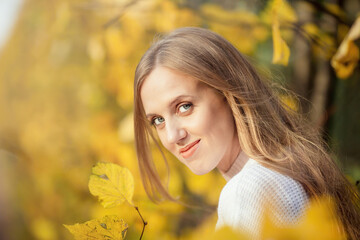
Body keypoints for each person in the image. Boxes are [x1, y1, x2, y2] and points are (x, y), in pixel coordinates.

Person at [133, 27, 360, 239]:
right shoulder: (290, 167)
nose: (173, 136)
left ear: (227, 91)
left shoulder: (249, 190)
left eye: (184, 106)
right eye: (158, 120)